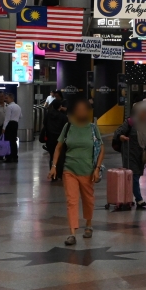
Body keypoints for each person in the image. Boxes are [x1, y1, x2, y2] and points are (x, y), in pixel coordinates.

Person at [47, 99, 104, 245]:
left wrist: (97, 168)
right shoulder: (68, 127)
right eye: (78, 109)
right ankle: (72, 233)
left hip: (88, 170)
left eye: (83, 109)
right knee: (71, 201)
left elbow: (101, 148)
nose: (81, 112)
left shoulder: (92, 128)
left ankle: (88, 224)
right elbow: (58, 147)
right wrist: (54, 166)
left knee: (88, 199)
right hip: (69, 169)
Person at [112, 101, 146, 209]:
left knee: (135, 175)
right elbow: (118, 132)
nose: (145, 114)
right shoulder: (130, 122)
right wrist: (121, 137)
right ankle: (139, 199)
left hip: (140, 154)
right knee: (134, 176)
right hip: (129, 153)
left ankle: (128, 198)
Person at [42, 97, 68, 179]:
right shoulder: (63, 117)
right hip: (60, 139)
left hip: (50, 138)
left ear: (52, 106)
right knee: (61, 156)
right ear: (60, 107)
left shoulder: (47, 115)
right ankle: (59, 173)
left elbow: (44, 123)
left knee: (52, 155)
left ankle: (53, 173)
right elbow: (66, 128)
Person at [1, 92, 22, 163]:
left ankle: (9, 157)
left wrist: (4, 128)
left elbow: (7, 118)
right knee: (13, 141)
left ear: (11, 98)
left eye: (7, 98)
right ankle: (15, 157)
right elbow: (21, 116)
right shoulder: (18, 106)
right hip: (15, 124)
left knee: (8, 141)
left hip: (9, 124)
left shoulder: (9, 107)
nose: (5, 100)